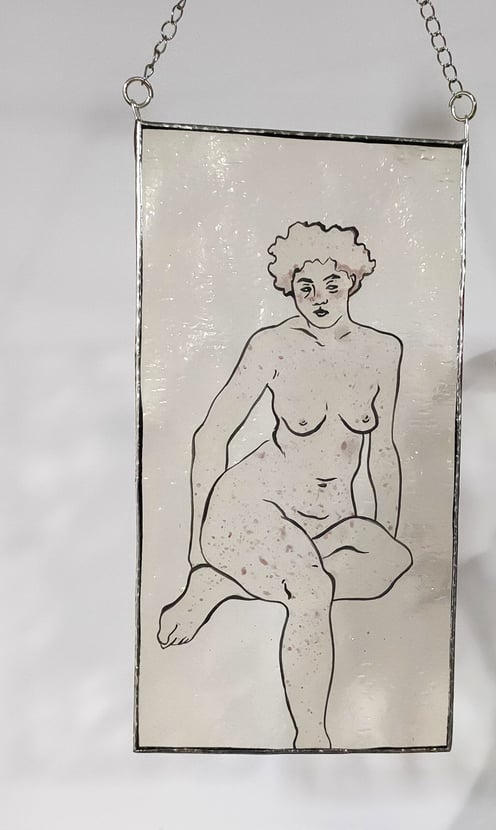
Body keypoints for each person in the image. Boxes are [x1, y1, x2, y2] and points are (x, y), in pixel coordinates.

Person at [157, 220, 413, 749]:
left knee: (391, 565)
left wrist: (379, 531)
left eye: (331, 285)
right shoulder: (272, 346)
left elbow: (382, 450)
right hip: (252, 504)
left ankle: (222, 584)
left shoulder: (383, 350)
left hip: (327, 519)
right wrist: (197, 545)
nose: (319, 299)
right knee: (312, 590)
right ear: (289, 288)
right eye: (305, 287)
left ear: (352, 281)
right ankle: (311, 738)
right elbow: (212, 436)